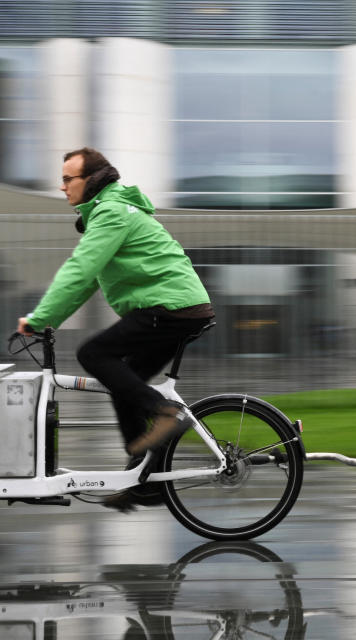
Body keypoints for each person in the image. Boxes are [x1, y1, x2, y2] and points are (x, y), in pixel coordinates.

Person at [16, 147, 214, 511]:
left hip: (169, 308)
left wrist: (39, 318)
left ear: (91, 180)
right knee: (124, 383)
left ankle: (166, 414)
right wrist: (51, 319)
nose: (62, 187)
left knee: (92, 354)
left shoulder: (110, 212)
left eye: (67, 179)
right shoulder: (109, 212)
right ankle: (144, 481)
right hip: (176, 307)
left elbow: (80, 269)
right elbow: (89, 280)